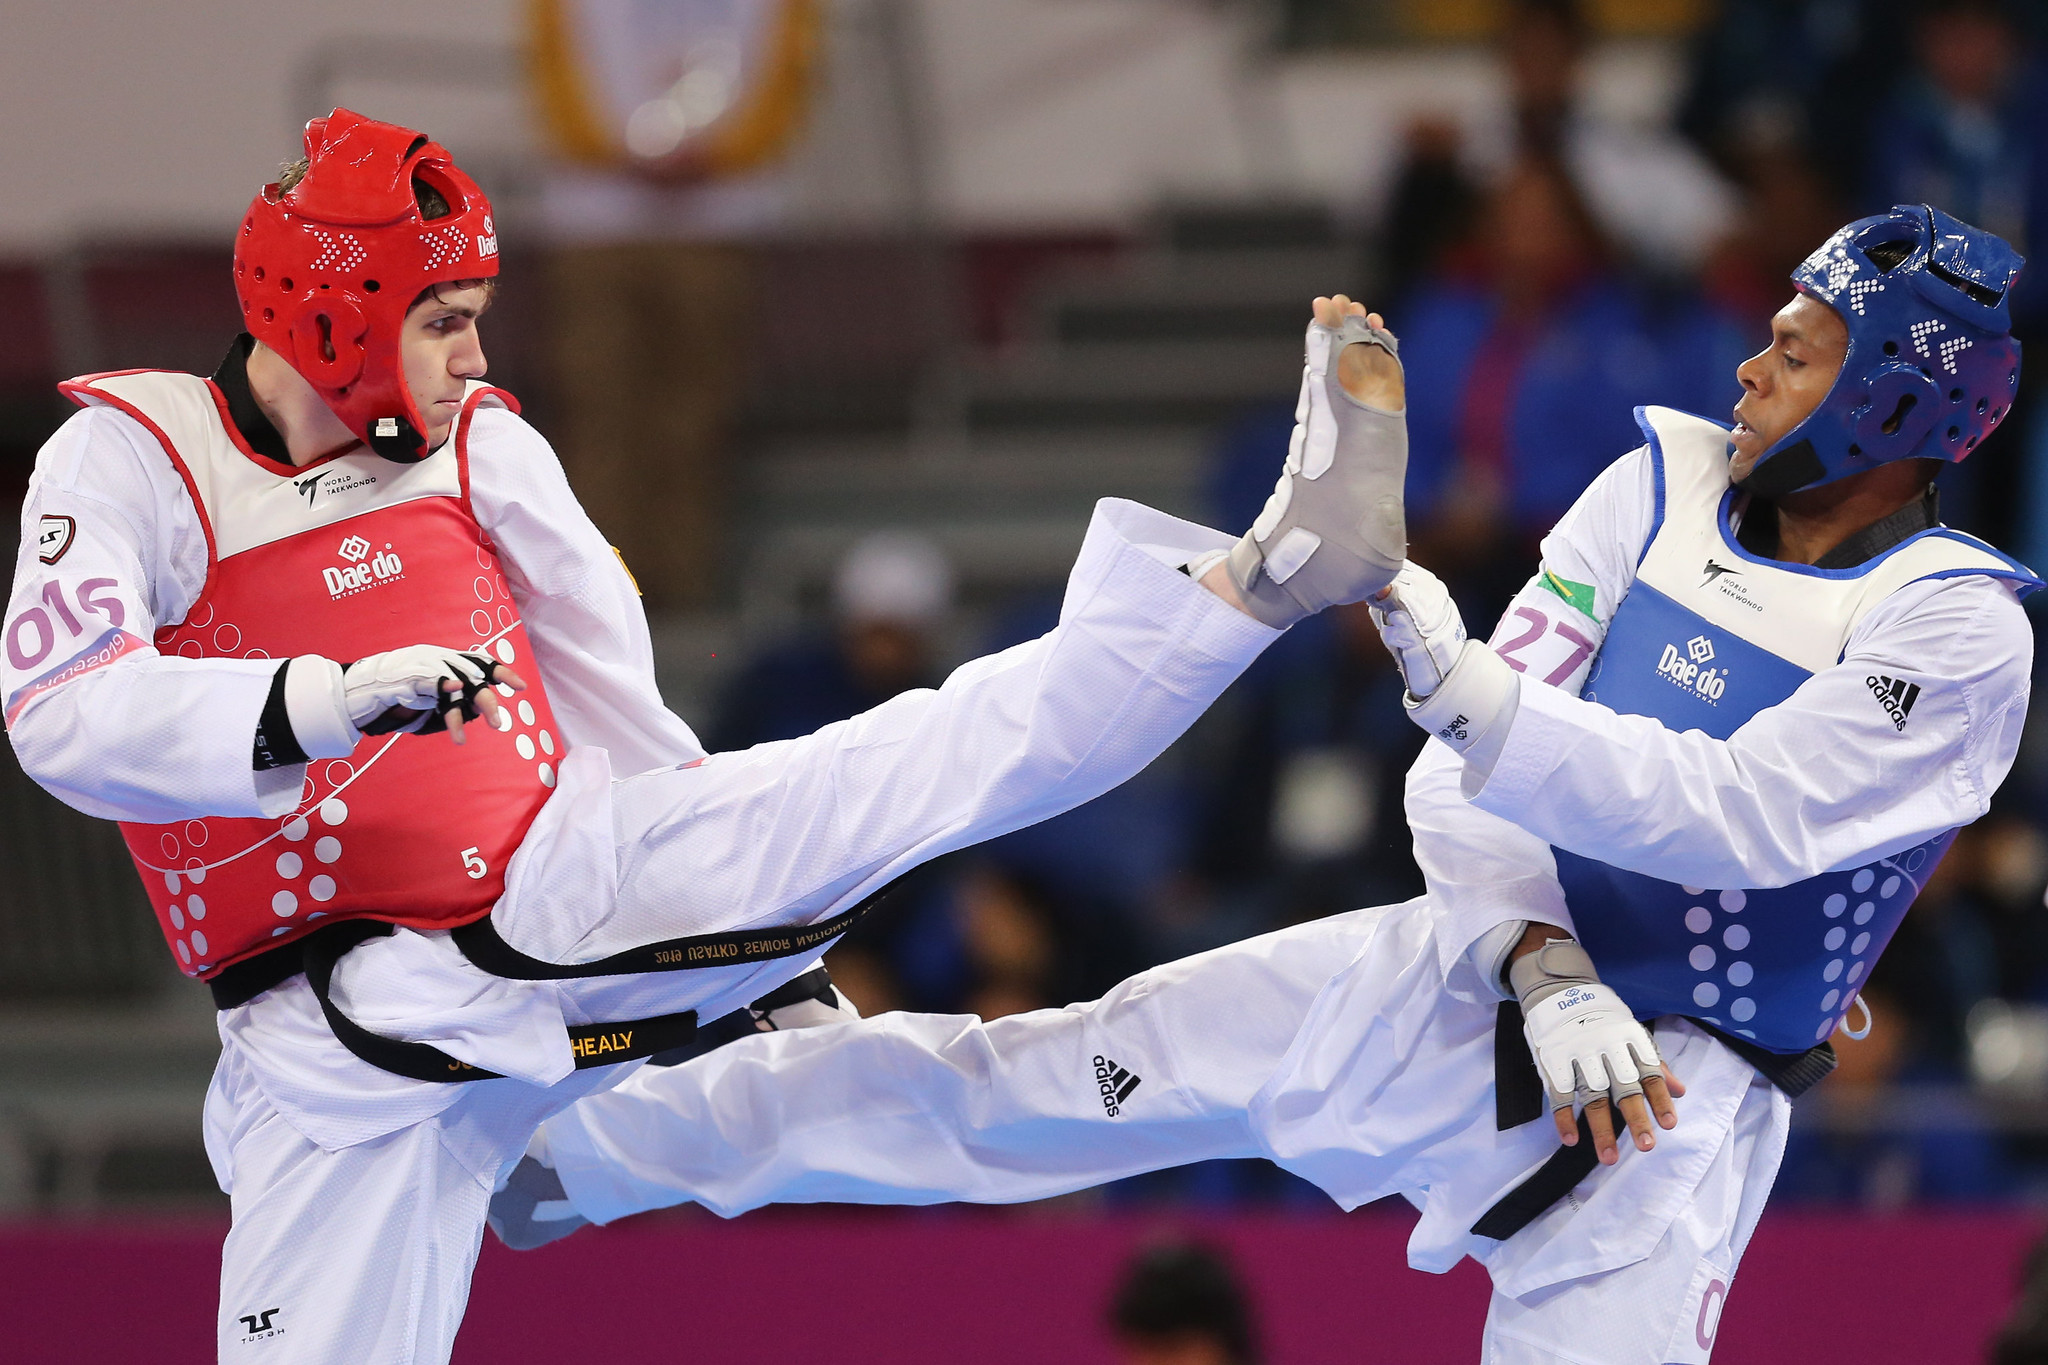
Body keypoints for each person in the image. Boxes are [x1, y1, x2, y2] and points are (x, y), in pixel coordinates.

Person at [497, 204, 2036, 1364]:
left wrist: (1474, 691)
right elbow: (1459, 794)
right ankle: (582, 1156)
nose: (1761, 355)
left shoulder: (1955, 627)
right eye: (1778, 322)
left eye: (1808, 344)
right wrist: (1542, 953)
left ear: (1898, 398)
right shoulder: (1657, 478)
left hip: (1658, 1122)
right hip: (1462, 978)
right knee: (1022, 1083)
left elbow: (1743, 820)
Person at [0, 110, 1412, 1363]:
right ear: (330, 313)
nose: (477, 352)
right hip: (341, 1051)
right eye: (442, 319)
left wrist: (742, 949)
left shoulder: (485, 445)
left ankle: (1261, 581)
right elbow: (61, 712)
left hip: (548, 900)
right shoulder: (137, 456)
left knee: (903, 829)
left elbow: (620, 703)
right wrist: (318, 700)